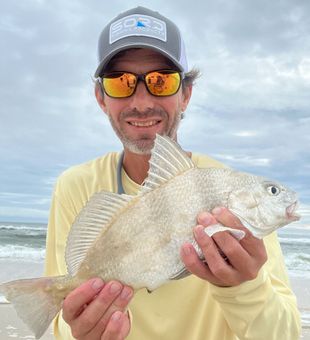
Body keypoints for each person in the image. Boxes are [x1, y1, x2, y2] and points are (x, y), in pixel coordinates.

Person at [44, 6, 301, 340]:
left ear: (186, 94)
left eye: (160, 81)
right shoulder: (75, 186)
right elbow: (63, 326)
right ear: (101, 98)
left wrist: (245, 288)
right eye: (120, 83)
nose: (141, 101)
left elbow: (286, 334)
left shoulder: (230, 192)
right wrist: (79, 329)